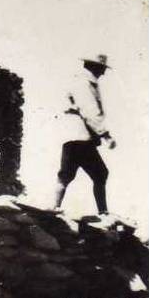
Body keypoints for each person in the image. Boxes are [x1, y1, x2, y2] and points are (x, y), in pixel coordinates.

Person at [54, 54, 116, 215]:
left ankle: (54, 207)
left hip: (71, 136)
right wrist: (105, 134)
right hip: (81, 136)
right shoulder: (84, 83)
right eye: (102, 68)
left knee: (66, 174)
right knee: (100, 173)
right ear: (94, 66)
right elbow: (90, 110)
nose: (103, 73)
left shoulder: (79, 81)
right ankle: (103, 212)